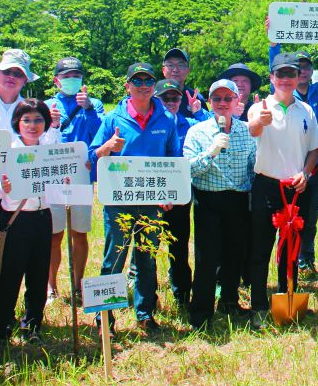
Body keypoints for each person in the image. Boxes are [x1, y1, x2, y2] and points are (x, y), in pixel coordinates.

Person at [88, 63, 180, 335]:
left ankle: (145, 313)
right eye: (137, 80)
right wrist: (107, 147)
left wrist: (170, 193)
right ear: (127, 85)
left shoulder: (166, 119)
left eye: (148, 80)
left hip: (151, 202)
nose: (143, 85)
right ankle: (105, 318)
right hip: (119, 200)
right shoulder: (112, 119)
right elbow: (92, 157)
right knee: (115, 257)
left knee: (147, 258)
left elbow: (173, 159)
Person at [246, 52, 318, 329]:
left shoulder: (306, 110)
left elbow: (314, 148)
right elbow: (253, 129)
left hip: (296, 188)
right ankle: (258, 305)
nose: (287, 79)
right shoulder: (261, 107)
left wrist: (307, 172)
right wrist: (259, 121)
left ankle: (286, 295)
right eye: (281, 75)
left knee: (290, 249)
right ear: (272, 78)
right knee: (261, 248)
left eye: (292, 74)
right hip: (266, 186)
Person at [183, 79, 257, 330]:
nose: (223, 104)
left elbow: (253, 168)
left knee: (234, 254)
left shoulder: (247, 131)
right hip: (208, 200)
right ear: (210, 102)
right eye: (217, 99)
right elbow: (188, 170)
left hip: (237, 200)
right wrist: (211, 152)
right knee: (206, 258)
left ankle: (229, 302)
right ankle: (201, 312)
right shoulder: (197, 131)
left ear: (237, 102)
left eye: (228, 99)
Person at [268, 35, 318, 274]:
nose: (302, 71)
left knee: (309, 216)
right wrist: (274, 45)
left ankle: (306, 256)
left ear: (312, 71)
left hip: (317, 167)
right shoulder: (284, 93)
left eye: (307, 67)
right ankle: (285, 258)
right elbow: (275, 67)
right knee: (286, 215)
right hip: (287, 167)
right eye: (298, 67)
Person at [0, 99, 54, 345]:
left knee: (38, 276)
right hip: (16, 220)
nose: (33, 125)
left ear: (45, 123)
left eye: (38, 120)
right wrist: (2, 187)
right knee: (9, 276)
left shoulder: (51, 149)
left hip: (43, 217)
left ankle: (33, 324)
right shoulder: (7, 150)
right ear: (17, 122)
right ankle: (0, 327)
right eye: (27, 120)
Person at [43, 58, 102, 302]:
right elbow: (37, 141)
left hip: (80, 176)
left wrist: (88, 109)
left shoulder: (94, 104)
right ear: (56, 80)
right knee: (54, 234)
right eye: (66, 76)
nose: (71, 80)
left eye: (76, 75)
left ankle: (78, 285)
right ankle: (51, 287)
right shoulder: (47, 105)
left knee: (79, 232)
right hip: (53, 178)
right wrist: (51, 123)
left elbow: (100, 133)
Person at [154, 78, 200, 312]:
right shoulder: (150, 124)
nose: (171, 102)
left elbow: (214, 128)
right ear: (156, 98)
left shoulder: (190, 124)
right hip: (151, 194)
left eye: (175, 98)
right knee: (146, 250)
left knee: (179, 248)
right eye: (165, 98)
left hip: (180, 196)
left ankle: (182, 294)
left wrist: (198, 112)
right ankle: (148, 299)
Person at [0, 49, 60, 144]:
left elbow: (46, 145)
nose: (11, 77)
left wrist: (54, 126)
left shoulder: (32, 110)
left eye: (18, 74)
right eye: (7, 72)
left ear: (25, 80)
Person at [162, 47, 207, 118]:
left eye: (180, 65)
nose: (175, 70)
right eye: (170, 65)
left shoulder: (196, 98)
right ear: (163, 70)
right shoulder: (153, 97)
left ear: (188, 71)